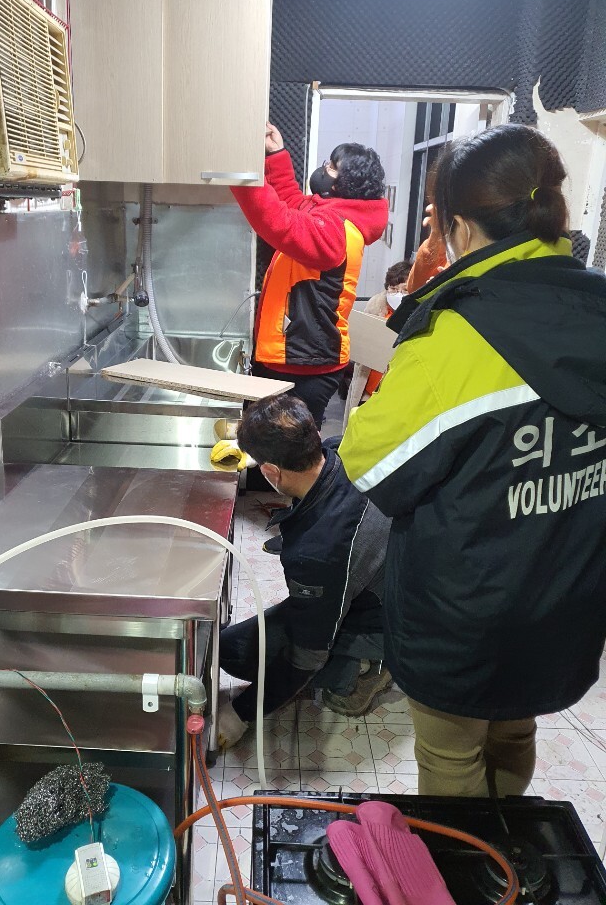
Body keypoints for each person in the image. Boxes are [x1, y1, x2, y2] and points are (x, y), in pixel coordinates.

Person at [339, 123, 606, 798]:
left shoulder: (457, 335)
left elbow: (369, 463)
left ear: (459, 226)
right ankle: (504, 848)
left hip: (467, 612)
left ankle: (467, 857)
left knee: (452, 756)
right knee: (515, 731)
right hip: (566, 595)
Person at [218, 394, 392, 748]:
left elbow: (307, 653)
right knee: (237, 645)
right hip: (391, 577)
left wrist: (242, 713)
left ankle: (368, 668)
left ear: (271, 472)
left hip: (387, 618)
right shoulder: (342, 449)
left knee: (237, 655)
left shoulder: (317, 556)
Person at [231, 123, 388, 430]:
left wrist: (239, 172)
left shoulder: (335, 230)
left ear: (344, 183)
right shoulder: (330, 216)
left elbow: (278, 220)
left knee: (283, 447)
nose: (323, 168)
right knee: (274, 444)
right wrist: (276, 154)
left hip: (303, 364)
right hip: (300, 358)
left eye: (332, 166)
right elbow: (292, 201)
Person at [361, 259, 412, 397]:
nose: (398, 294)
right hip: (371, 385)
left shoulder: (418, 312)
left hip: (400, 386)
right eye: (393, 289)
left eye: (405, 290)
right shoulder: (375, 306)